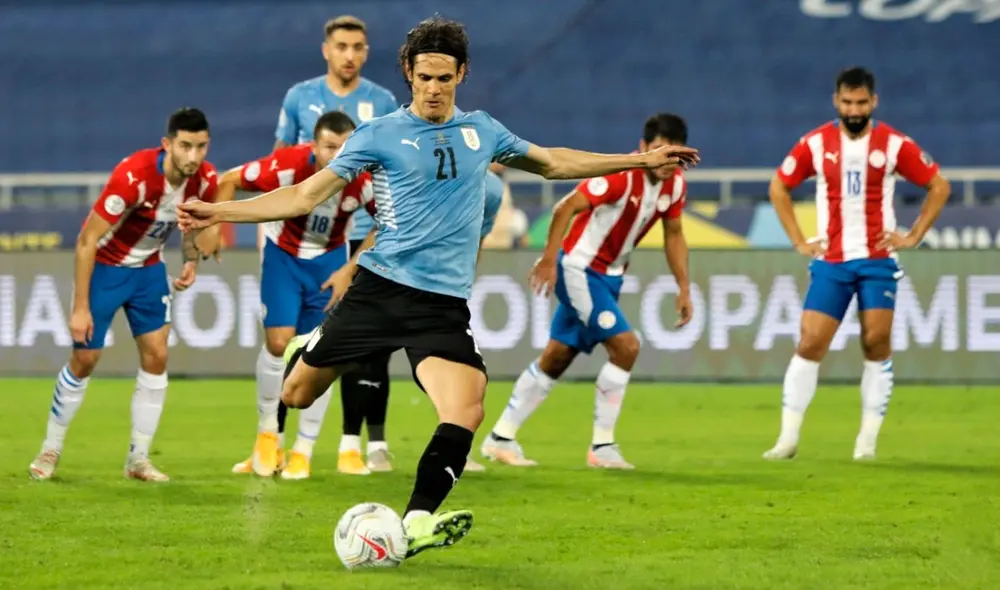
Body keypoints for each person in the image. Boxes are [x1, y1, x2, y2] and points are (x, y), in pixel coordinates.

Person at [177, 17, 698, 557]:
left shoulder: (483, 131)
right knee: (296, 394)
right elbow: (303, 197)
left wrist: (640, 160)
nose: (432, 88)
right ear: (408, 72)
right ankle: (314, 345)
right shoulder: (378, 134)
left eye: (444, 79)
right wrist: (217, 210)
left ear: (461, 75)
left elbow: (553, 162)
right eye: (424, 77)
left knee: (466, 408)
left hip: (441, 306)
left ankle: (419, 520)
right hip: (379, 291)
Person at [481, 113, 693, 469]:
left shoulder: (675, 186)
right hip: (578, 269)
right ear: (643, 148)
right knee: (626, 347)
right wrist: (549, 260)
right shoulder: (618, 178)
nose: (666, 162)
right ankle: (602, 446)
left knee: (556, 357)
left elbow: (674, 234)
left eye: (672, 155)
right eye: (658, 151)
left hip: (609, 277)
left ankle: (500, 438)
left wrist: (684, 286)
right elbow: (566, 207)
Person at [762, 67, 950, 461]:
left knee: (875, 342)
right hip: (832, 260)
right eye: (847, 102)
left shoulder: (893, 144)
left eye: (861, 102)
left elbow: (938, 185)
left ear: (873, 102)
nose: (854, 109)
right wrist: (798, 239)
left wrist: (913, 235)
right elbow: (779, 185)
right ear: (836, 101)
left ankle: (866, 443)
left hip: (878, 260)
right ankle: (787, 439)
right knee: (811, 341)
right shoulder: (815, 143)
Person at [29, 108, 217, 481]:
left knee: (158, 355)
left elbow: (190, 222)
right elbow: (85, 242)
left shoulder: (205, 180)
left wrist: (191, 259)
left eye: (201, 147)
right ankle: (50, 449)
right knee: (85, 360)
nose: (194, 156)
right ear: (168, 145)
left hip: (148, 272)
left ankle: (138, 459)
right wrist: (80, 308)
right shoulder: (135, 177)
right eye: (185, 146)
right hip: (106, 269)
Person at [200, 112, 375, 480]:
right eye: (330, 147)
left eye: (345, 147)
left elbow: (389, 222)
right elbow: (229, 178)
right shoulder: (287, 165)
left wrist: (351, 268)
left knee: (320, 353)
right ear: (314, 146)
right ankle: (267, 436)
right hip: (283, 256)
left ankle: (303, 451)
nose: (338, 154)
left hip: (328, 262)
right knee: (279, 343)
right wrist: (215, 228)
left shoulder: (364, 177)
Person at [272, 15, 400, 475]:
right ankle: (280, 442)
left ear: (366, 52)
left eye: (358, 47)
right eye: (342, 46)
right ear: (326, 49)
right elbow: (280, 163)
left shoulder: (383, 102)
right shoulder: (299, 98)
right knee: (303, 341)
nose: (350, 55)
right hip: (314, 238)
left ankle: (364, 443)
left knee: (370, 345)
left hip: (369, 235)